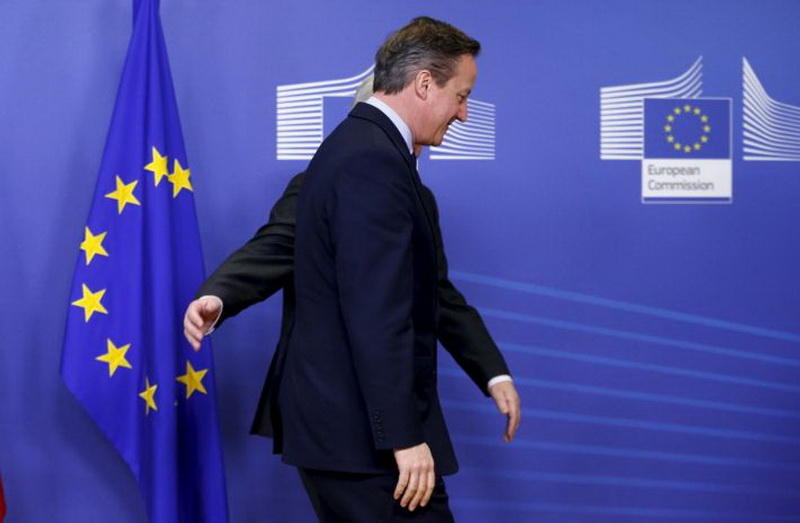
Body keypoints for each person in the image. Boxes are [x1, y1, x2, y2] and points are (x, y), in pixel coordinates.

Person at [184, 17, 520, 521]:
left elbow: (433, 294)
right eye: (462, 96)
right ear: (423, 84)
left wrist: (492, 372)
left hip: (350, 428)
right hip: (360, 431)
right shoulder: (369, 164)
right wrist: (403, 436)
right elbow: (373, 308)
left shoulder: (380, 168)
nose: (464, 113)